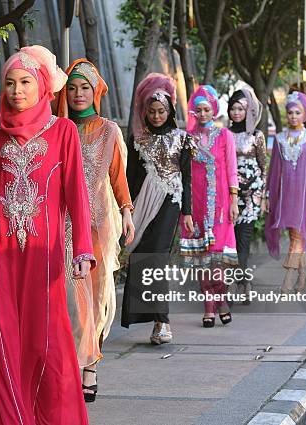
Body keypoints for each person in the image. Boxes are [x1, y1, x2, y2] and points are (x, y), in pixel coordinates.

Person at [0, 45, 95, 425]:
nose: (17, 90)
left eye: (25, 82)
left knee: (46, 343)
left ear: (42, 87)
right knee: (2, 338)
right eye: (10, 83)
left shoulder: (64, 133)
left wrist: (82, 250)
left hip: (45, 255)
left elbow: (77, 196)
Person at [55, 58, 135, 403]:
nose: (77, 94)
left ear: (96, 91)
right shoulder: (57, 130)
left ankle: (91, 365)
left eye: (84, 88)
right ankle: (73, 364)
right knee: (72, 299)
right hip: (64, 225)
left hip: (100, 226)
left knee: (99, 296)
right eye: (71, 88)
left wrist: (127, 213)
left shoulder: (109, 130)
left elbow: (118, 177)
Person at [121, 73, 194, 344]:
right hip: (142, 204)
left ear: (170, 110)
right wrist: (125, 208)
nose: (156, 115)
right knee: (141, 255)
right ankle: (152, 320)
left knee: (159, 257)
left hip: (170, 202)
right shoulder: (137, 139)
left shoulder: (182, 138)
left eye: (161, 111)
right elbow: (130, 177)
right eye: (151, 111)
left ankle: (163, 322)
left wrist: (187, 212)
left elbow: (186, 176)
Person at [180, 85, 239, 328]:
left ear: (213, 110)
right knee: (203, 260)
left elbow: (231, 169)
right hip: (197, 206)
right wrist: (187, 211)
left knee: (217, 260)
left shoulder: (225, 136)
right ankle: (209, 307)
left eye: (206, 109)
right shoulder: (187, 139)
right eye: (198, 110)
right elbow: (184, 174)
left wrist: (234, 200)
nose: (202, 114)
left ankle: (221, 299)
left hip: (221, 207)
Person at [265, 91, 306, 294]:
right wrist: (268, 195)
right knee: (293, 235)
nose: (293, 116)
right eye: (290, 113)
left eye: (297, 112)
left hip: (302, 195)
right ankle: (303, 277)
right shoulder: (279, 139)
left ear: (304, 113)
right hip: (285, 194)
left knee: (297, 236)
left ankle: (288, 279)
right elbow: (274, 171)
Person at [227, 86, 266, 304]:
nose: (236, 113)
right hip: (230, 195)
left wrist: (264, 197)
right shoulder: (225, 134)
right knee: (230, 243)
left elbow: (263, 166)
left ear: (249, 111)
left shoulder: (257, 136)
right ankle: (238, 282)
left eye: (241, 109)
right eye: (233, 108)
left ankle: (242, 282)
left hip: (251, 197)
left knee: (243, 241)